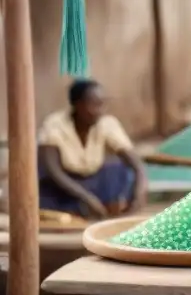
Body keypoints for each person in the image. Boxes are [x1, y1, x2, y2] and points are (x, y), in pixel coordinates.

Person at [38, 79, 147, 218]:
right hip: (63, 186)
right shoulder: (54, 125)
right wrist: (86, 197)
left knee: (120, 170)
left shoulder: (107, 123)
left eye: (102, 104)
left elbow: (135, 162)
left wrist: (141, 186)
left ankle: (108, 209)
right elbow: (53, 172)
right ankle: (80, 210)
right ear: (77, 105)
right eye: (94, 104)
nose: (100, 111)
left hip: (92, 182)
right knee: (46, 190)